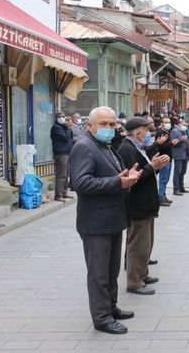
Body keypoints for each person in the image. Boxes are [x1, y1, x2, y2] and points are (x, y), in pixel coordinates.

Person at [69, 106, 141, 334]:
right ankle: (101, 318)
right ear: (90, 126)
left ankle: (110, 307)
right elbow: (80, 183)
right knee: (99, 273)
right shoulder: (84, 147)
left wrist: (125, 177)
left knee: (111, 271)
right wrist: (117, 183)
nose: (109, 128)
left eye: (112, 124)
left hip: (112, 219)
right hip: (95, 223)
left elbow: (111, 175)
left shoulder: (105, 146)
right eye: (103, 124)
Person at [118, 117, 170, 296]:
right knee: (137, 244)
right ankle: (134, 281)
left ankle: (143, 274)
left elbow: (145, 170)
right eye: (146, 131)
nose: (148, 134)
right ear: (138, 132)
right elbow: (132, 178)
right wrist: (152, 166)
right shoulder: (126, 149)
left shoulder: (137, 147)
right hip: (137, 203)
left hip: (146, 203)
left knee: (146, 243)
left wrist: (155, 165)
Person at [147, 116, 176, 206]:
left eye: (169, 122)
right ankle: (161, 197)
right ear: (162, 123)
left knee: (166, 178)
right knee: (163, 179)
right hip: (163, 158)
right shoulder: (160, 133)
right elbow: (159, 146)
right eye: (166, 122)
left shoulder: (166, 131)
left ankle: (163, 195)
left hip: (168, 158)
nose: (168, 124)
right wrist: (171, 143)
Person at [50, 112, 74, 202]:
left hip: (67, 152)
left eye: (63, 116)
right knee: (61, 175)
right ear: (56, 118)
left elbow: (70, 138)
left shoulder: (64, 127)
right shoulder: (56, 128)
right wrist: (68, 127)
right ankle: (58, 195)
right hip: (60, 153)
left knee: (66, 174)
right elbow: (65, 138)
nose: (62, 118)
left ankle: (64, 192)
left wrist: (68, 128)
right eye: (60, 116)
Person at [170, 119, 189, 196]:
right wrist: (181, 140)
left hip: (185, 154)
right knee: (178, 172)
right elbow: (174, 143)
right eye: (184, 124)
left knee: (183, 172)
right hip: (178, 154)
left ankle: (181, 187)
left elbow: (186, 140)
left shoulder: (183, 131)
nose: (185, 126)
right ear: (179, 124)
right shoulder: (174, 131)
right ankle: (176, 189)